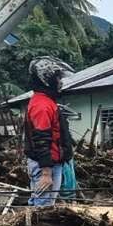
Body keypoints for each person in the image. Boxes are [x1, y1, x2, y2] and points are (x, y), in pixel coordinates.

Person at [24, 56, 74, 207]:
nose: (60, 82)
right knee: (43, 208)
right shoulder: (42, 105)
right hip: (45, 166)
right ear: (47, 79)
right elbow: (41, 139)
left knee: (42, 204)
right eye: (58, 78)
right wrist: (46, 173)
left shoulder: (47, 102)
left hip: (50, 164)